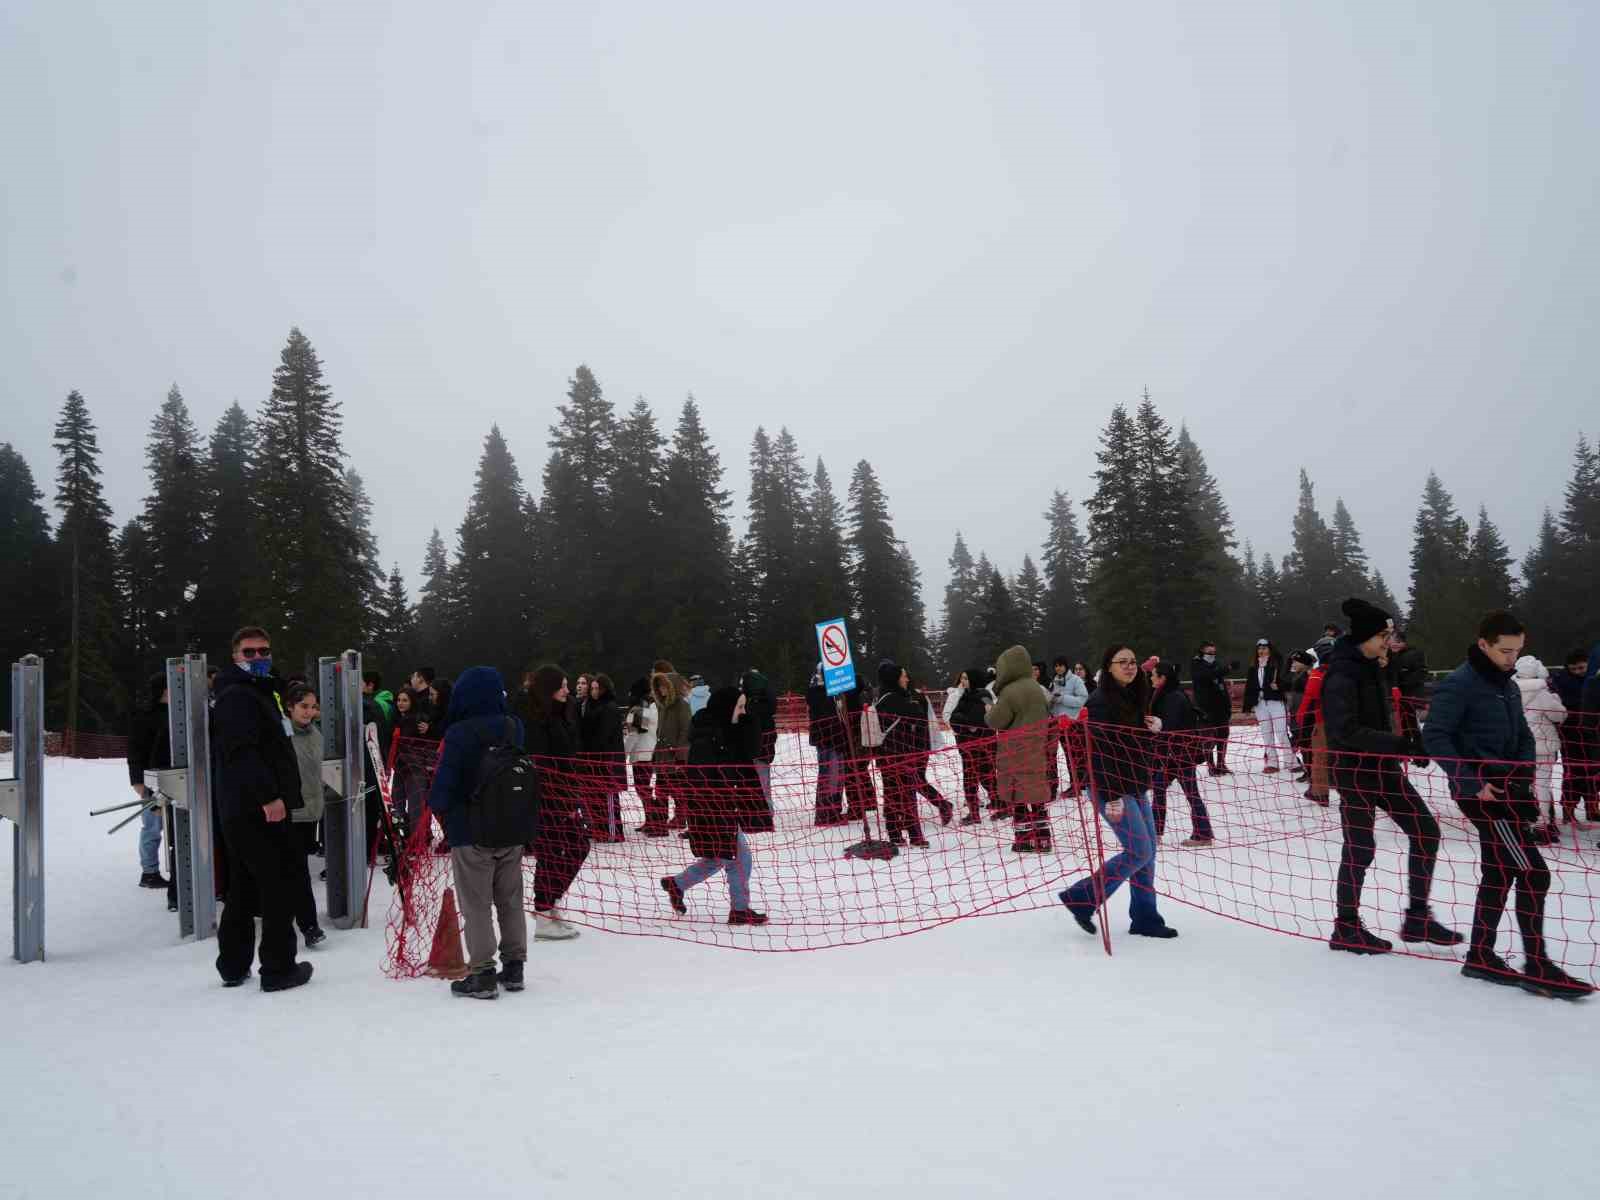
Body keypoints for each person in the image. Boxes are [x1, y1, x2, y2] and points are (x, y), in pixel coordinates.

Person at [1425, 613, 1593, 999]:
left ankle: (1480, 955)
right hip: (1483, 798)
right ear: (1483, 643)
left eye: (1517, 651)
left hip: (1509, 790)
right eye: (1505, 650)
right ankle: (1536, 965)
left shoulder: (1509, 685)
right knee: (1534, 873)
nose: (1511, 658)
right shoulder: (1459, 685)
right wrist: (1471, 781)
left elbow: (1521, 735)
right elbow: (1435, 736)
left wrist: (1523, 775)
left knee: (1499, 871)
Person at [1323, 598, 1458, 955]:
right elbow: (1343, 731)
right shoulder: (1342, 673)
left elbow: (1381, 717)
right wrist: (1402, 744)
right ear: (1366, 636)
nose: (1389, 640)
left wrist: (1407, 746)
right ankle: (1346, 927)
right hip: (1354, 771)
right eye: (1383, 634)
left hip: (1383, 768)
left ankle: (1417, 918)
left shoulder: (1373, 667)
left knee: (1425, 831)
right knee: (1360, 847)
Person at [212, 626, 313, 992]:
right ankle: (278, 967)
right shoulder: (237, 696)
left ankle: (233, 965)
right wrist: (269, 797)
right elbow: (243, 753)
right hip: (255, 807)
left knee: (244, 886)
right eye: (250, 652)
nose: (258, 658)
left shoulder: (262, 691)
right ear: (235, 656)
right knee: (279, 884)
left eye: (263, 651)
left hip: (250, 806)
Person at [1057, 645, 1177, 938]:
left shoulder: (1136, 697)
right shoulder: (1101, 702)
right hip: (1109, 786)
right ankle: (1083, 896)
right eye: (1122, 662)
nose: (1130, 666)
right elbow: (1099, 753)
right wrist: (1110, 796)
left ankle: (1145, 917)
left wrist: (1155, 728)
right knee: (1139, 850)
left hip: (1135, 783)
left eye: (1133, 662)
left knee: (1148, 852)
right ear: (1108, 667)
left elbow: (1135, 745)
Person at [427, 666, 530, 997]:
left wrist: (441, 810)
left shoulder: (459, 733)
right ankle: (514, 968)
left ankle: (483, 973)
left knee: (476, 904)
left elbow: (444, 789)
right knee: (511, 901)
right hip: (511, 827)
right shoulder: (514, 727)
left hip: (470, 831)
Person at [660, 686, 769, 924]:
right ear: (726, 708)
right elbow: (701, 780)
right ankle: (739, 910)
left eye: (744, 707)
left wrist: (749, 722)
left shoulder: (728, 731)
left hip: (726, 807)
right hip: (712, 809)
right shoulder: (706, 737)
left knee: (721, 857)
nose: (742, 712)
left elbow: (751, 751)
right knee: (738, 858)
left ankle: (677, 884)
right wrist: (715, 812)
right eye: (739, 707)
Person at [522, 665, 589, 941]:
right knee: (551, 853)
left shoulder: (561, 713)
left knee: (577, 845)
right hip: (543, 797)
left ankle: (547, 904)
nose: (568, 689)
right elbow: (541, 760)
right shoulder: (532, 719)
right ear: (548, 688)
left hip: (563, 793)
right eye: (562, 685)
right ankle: (544, 911)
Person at [986, 645, 1053, 854]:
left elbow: (997, 720)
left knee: (1019, 796)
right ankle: (1043, 839)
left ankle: (1023, 839)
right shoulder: (1036, 688)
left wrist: (989, 710)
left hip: (1014, 751)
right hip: (1036, 747)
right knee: (1036, 793)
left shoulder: (1009, 691)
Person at [284, 683, 331, 949]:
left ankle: (300, 920)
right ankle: (308, 925)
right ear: (290, 707)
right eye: (303, 706)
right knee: (297, 871)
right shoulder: (281, 734)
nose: (309, 712)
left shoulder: (315, 734)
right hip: (288, 813)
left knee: (296, 868)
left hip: (310, 813)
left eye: (313, 707)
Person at [1149, 662, 1214, 847]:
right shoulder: (1165, 694)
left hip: (1180, 754)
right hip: (1171, 753)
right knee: (1159, 789)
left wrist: (1157, 725)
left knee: (1191, 793)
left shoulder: (1173, 697)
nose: (1151, 678)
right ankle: (1155, 833)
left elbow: (1173, 725)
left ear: (1163, 678)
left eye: (1153, 675)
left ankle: (1203, 834)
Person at [871, 661, 932, 847]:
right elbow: (918, 714)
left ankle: (896, 835)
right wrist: (912, 702)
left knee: (893, 796)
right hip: (899, 755)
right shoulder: (894, 700)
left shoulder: (884, 698)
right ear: (895, 679)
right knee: (905, 796)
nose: (907, 678)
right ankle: (914, 836)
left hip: (890, 755)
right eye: (903, 675)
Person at [126, 671, 173, 891]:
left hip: (175, 777)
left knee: (175, 827)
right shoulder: (144, 716)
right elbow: (134, 751)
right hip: (151, 780)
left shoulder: (178, 713)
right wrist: (138, 782)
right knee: (153, 827)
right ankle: (150, 872)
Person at [1512, 656, 1567, 843]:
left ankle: (1526, 823)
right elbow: (1559, 716)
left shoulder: (1510, 690)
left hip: (1519, 746)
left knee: (1523, 785)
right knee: (1542, 786)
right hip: (1543, 746)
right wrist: (1556, 699)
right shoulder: (1542, 693)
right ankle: (1543, 826)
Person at [944, 668, 996, 825]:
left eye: (966, 678)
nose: (963, 681)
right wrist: (962, 721)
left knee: (986, 777)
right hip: (967, 744)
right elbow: (953, 719)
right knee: (971, 779)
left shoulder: (984, 695)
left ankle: (1003, 805)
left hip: (982, 744)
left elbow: (977, 719)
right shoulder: (964, 695)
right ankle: (974, 813)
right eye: (962, 678)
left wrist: (963, 720)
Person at [806, 666, 855, 827]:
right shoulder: (817, 691)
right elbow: (823, 710)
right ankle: (825, 814)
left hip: (837, 738)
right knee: (830, 776)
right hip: (827, 739)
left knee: (838, 776)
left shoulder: (836, 693)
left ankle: (834, 810)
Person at [581, 674, 626, 842]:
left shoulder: (609, 708)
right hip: (596, 761)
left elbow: (605, 736)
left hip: (608, 761)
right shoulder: (593, 707)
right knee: (597, 798)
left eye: (596, 688)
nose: (593, 692)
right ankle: (601, 829)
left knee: (609, 798)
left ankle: (614, 831)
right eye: (591, 688)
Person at [1551, 649, 1595, 824]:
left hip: (1592, 735)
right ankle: (1568, 808)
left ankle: (1592, 807)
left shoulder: (1593, 681)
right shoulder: (1561, 682)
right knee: (1573, 772)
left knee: (1593, 771)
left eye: (1581, 668)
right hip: (1570, 735)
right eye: (1573, 669)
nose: (1578, 672)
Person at [649, 671, 692, 834]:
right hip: (662, 754)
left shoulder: (682, 705)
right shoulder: (662, 705)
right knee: (660, 790)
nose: (661, 689)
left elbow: (685, 729)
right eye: (658, 686)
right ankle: (660, 822)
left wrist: (680, 754)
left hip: (675, 755)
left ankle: (680, 818)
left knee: (678, 791)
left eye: (664, 685)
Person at [1243, 638, 1290, 773]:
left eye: (1264, 648)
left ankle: (1291, 762)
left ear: (1270, 649)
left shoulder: (1277, 663)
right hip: (1260, 703)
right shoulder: (1254, 666)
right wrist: (1247, 706)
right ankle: (1272, 762)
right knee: (1266, 733)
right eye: (1259, 648)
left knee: (1281, 732)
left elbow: (1287, 680)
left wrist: (1279, 686)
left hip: (1275, 701)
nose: (1261, 650)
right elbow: (1249, 686)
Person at [1190, 642, 1234, 776]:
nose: (1212, 655)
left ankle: (1221, 764)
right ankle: (1211, 766)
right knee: (1208, 739)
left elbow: (1221, 685)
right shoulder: (1197, 665)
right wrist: (1227, 668)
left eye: (1214, 653)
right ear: (1202, 653)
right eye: (1209, 653)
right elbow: (1206, 676)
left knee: (1223, 736)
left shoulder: (1216, 665)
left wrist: (1228, 706)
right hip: (1206, 709)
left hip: (1221, 708)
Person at [1295, 656, 1332, 806]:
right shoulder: (1344, 670)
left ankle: (1319, 792)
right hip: (1340, 718)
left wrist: (1300, 717)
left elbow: (1310, 697)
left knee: (1319, 756)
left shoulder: (1318, 673)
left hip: (1320, 719)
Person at [623, 677, 659, 833]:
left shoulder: (636, 710)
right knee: (645, 789)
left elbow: (633, 734)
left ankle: (653, 821)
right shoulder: (651, 707)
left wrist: (624, 753)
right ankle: (652, 820)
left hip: (640, 754)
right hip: (650, 751)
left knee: (642, 789)